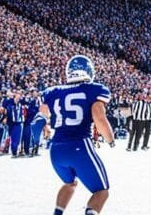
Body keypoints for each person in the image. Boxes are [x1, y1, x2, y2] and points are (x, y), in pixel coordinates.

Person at [39, 55, 115, 215]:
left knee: (70, 183)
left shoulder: (52, 91)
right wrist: (110, 139)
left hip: (56, 149)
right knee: (101, 191)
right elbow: (99, 117)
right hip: (79, 145)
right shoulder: (95, 89)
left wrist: (45, 130)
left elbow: (42, 115)